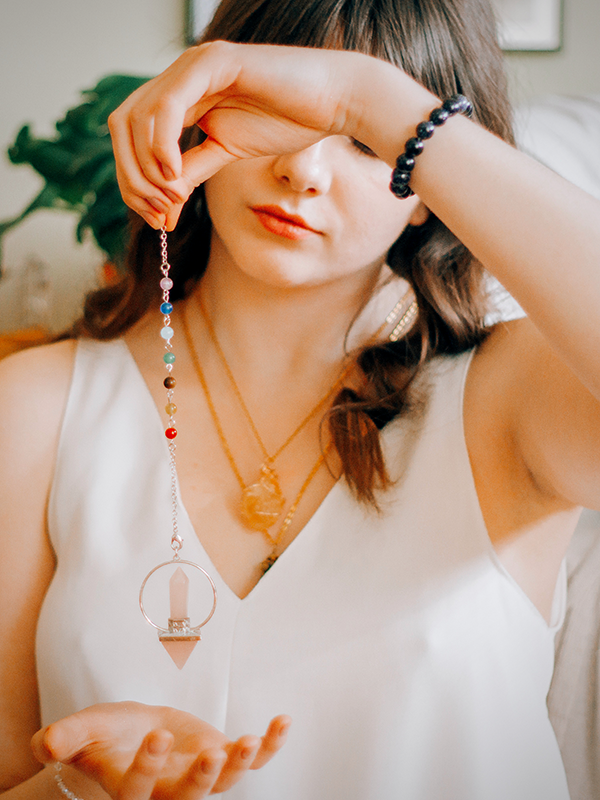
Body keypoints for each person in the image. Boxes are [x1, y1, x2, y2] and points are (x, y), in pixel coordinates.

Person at [1, 0, 600, 797]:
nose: (304, 170)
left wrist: (375, 100)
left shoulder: (510, 403)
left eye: (365, 144)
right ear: (201, 108)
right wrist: (80, 789)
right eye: (279, 115)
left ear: (426, 190)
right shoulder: (35, 407)